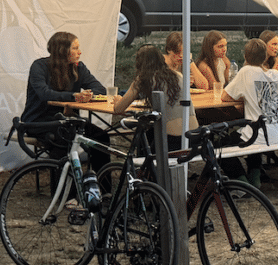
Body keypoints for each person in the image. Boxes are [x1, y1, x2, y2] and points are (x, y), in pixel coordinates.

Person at [20, 31, 109, 171]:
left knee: (101, 137)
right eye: (75, 48)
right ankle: (63, 183)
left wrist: (88, 96)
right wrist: (74, 96)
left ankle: (102, 183)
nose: (80, 52)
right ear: (62, 50)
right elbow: (45, 94)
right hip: (40, 121)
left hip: (69, 121)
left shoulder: (78, 67)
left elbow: (100, 89)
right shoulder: (39, 66)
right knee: (64, 136)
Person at [221, 38, 278, 190]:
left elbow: (225, 96)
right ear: (265, 56)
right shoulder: (276, 74)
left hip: (262, 135)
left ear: (245, 56)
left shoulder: (246, 71)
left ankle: (241, 183)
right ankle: (255, 176)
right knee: (252, 128)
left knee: (220, 145)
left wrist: (246, 95)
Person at [115, 45, 198, 151]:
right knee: (150, 132)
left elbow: (118, 109)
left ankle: (143, 160)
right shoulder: (178, 75)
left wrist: (118, 100)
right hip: (193, 134)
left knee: (146, 137)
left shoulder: (143, 79)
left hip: (171, 138)